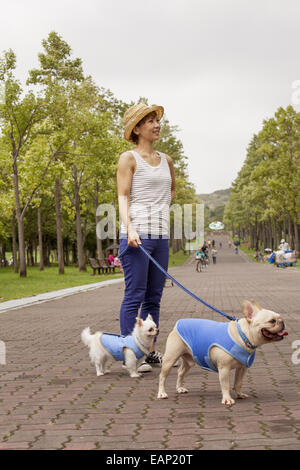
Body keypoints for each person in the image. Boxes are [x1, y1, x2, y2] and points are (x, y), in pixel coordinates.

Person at [117, 103, 176, 373]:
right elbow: (123, 196)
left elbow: (172, 191)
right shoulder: (128, 158)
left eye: (157, 120)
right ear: (137, 128)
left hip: (160, 235)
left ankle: (150, 352)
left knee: (154, 297)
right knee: (135, 294)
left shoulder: (167, 160)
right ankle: (130, 352)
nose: (156, 124)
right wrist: (130, 228)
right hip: (136, 236)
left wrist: (160, 212)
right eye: (150, 121)